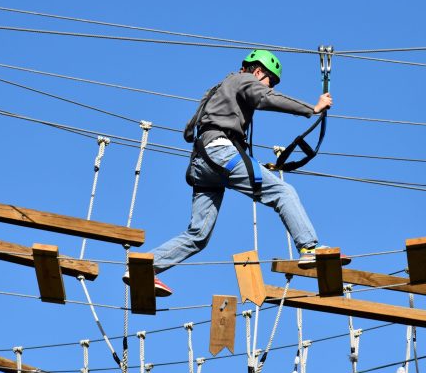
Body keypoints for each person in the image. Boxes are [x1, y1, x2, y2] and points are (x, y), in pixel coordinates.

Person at [124, 50, 348, 296]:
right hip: (221, 154)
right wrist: (312, 108)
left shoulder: (218, 89)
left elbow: (190, 130)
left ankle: (144, 267)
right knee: (284, 192)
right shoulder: (243, 80)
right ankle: (309, 247)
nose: (267, 86)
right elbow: (266, 98)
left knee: (198, 235)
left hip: (203, 163)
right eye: (269, 81)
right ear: (259, 71)